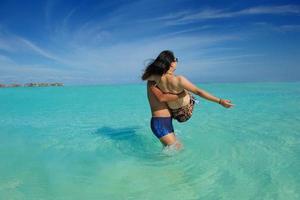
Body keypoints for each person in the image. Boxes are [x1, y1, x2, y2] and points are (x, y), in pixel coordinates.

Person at [142, 50, 234, 123]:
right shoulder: (179, 79)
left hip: (175, 114)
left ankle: (185, 95)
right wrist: (220, 101)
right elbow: (199, 92)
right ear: (172, 63)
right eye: (176, 60)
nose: (177, 62)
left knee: (177, 90)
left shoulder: (155, 77)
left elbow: (144, 77)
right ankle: (190, 98)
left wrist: (156, 67)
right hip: (186, 113)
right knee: (186, 91)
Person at [146, 81, 185, 149]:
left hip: (167, 121)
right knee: (176, 149)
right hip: (159, 122)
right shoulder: (152, 81)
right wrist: (181, 95)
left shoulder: (163, 80)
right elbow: (161, 98)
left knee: (176, 148)